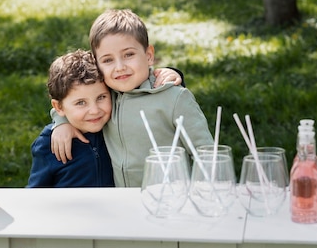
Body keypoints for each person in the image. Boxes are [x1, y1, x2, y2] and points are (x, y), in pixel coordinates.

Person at [51, 9, 213, 187]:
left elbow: (206, 154)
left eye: (129, 55)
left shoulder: (174, 98)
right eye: (107, 60)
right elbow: (68, 101)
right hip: (123, 200)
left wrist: (206, 196)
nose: (120, 67)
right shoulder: (105, 96)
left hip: (170, 199)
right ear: (96, 64)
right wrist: (62, 122)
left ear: (149, 56)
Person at [27, 48, 119, 248]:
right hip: (67, 238)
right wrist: (31, 240)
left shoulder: (117, 128)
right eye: (80, 103)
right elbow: (35, 195)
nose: (95, 110)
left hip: (116, 235)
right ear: (59, 107)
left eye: (101, 97)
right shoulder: (49, 144)